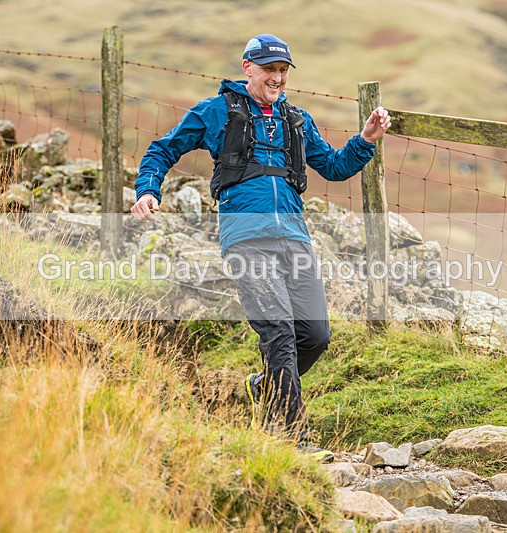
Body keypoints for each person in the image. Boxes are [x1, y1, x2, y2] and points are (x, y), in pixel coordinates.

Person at [131, 34, 391, 461]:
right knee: (279, 330)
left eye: (283, 70)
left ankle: (264, 386)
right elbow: (163, 148)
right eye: (269, 68)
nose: (278, 77)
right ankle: (292, 436)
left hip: (294, 236)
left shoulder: (298, 119)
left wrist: (364, 139)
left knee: (315, 334)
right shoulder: (217, 111)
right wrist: (148, 189)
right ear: (247, 67)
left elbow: (334, 166)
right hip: (246, 237)